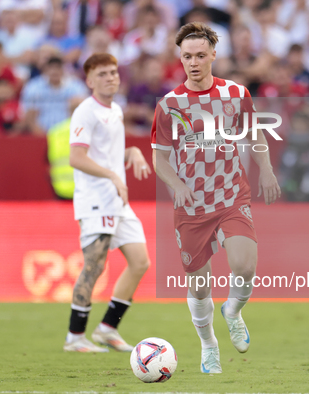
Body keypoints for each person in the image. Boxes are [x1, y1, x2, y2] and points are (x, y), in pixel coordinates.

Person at [151, 22, 281, 374]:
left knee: (245, 266)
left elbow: (255, 134)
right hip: (191, 207)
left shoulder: (236, 95)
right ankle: (209, 345)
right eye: (186, 56)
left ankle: (234, 311)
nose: (193, 62)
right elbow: (159, 158)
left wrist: (265, 168)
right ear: (180, 58)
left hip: (230, 196)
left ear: (213, 56)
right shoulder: (169, 105)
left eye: (199, 56)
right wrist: (177, 185)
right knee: (199, 286)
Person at [64, 53, 152, 353]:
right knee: (95, 265)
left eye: (113, 72)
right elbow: (76, 157)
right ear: (89, 81)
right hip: (95, 200)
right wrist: (114, 177)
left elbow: (110, 152)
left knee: (140, 262)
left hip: (117, 199)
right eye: (102, 74)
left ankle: (106, 329)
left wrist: (133, 154)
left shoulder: (115, 109)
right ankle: (75, 338)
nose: (111, 77)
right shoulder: (85, 112)